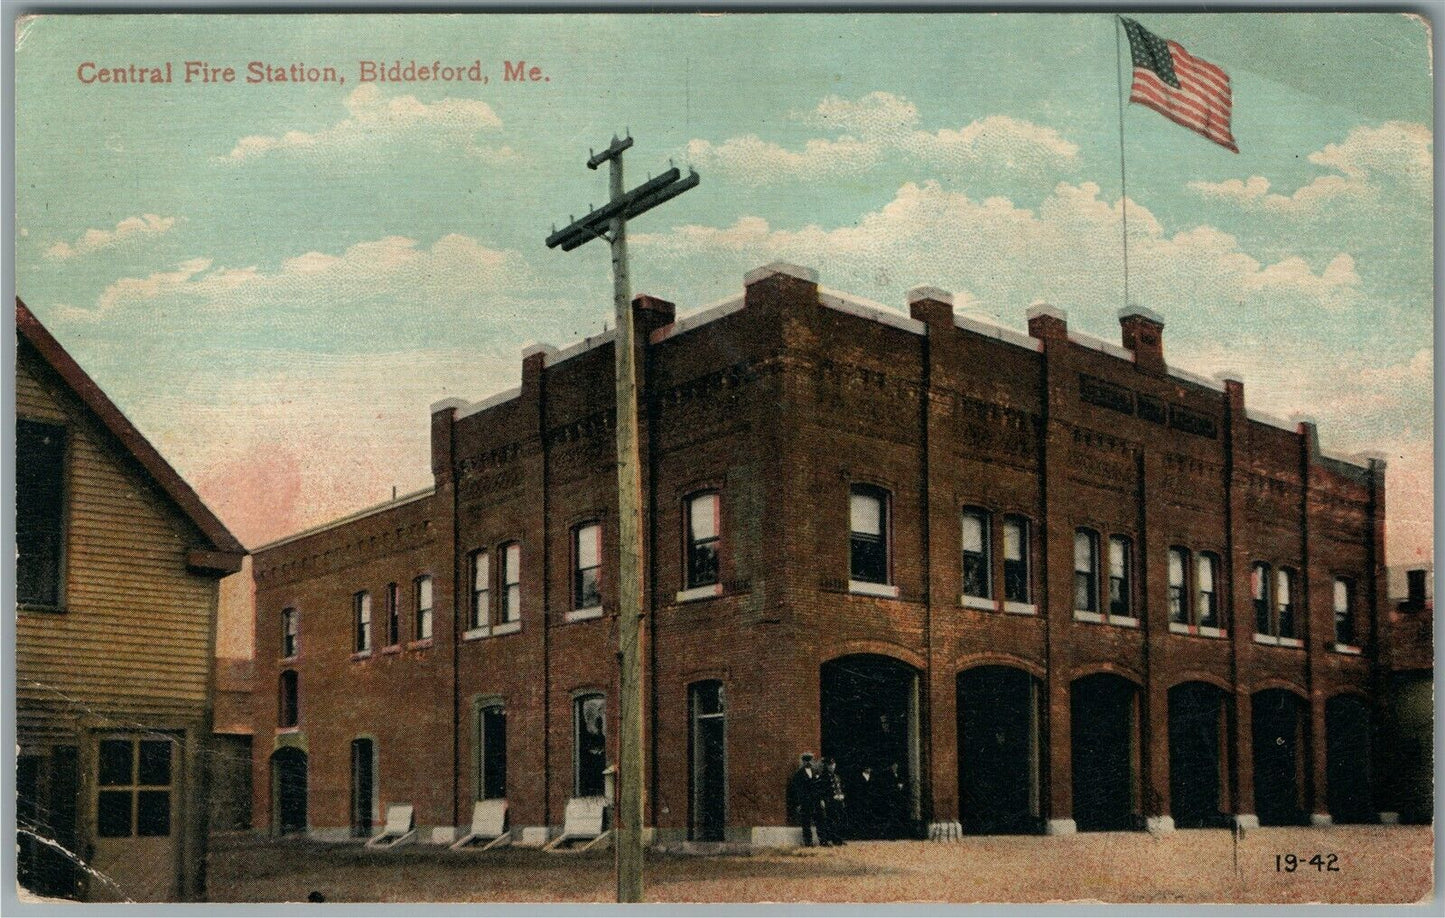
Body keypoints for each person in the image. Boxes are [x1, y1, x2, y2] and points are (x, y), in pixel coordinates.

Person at [788, 752, 823, 846]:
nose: (808, 763)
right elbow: (797, 790)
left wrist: (820, 799)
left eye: (810, 760)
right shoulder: (798, 775)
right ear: (803, 762)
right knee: (806, 822)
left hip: (815, 801)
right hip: (805, 802)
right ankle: (808, 842)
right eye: (806, 761)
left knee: (819, 820)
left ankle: (822, 840)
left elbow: (819, 787)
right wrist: (798, 803)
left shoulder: (815, 772)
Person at [821, 757, 847, 845]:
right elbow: (823, 790)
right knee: (833, 820)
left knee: (840, 819)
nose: (832, 767)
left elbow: (840, 788)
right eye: (830, 765)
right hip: (830, 801)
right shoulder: (824, 777)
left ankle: (839, 838)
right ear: (827, 766)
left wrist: (842, 795)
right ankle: (834, 839)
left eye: (833, 765)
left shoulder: (836, 776)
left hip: (839, 801)